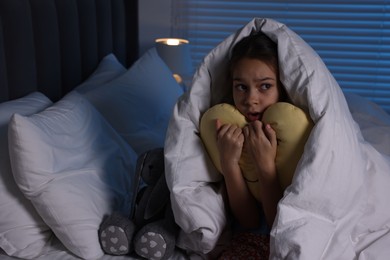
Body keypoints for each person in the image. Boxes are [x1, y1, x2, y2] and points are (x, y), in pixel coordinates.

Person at [216, 32, 288, 259]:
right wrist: (229, 164)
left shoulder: (295, 132)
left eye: (265, 86)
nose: (251, 99)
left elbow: (278, 224)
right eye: (241, 87)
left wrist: (266, 166)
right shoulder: (229, 127)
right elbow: (248, 222)